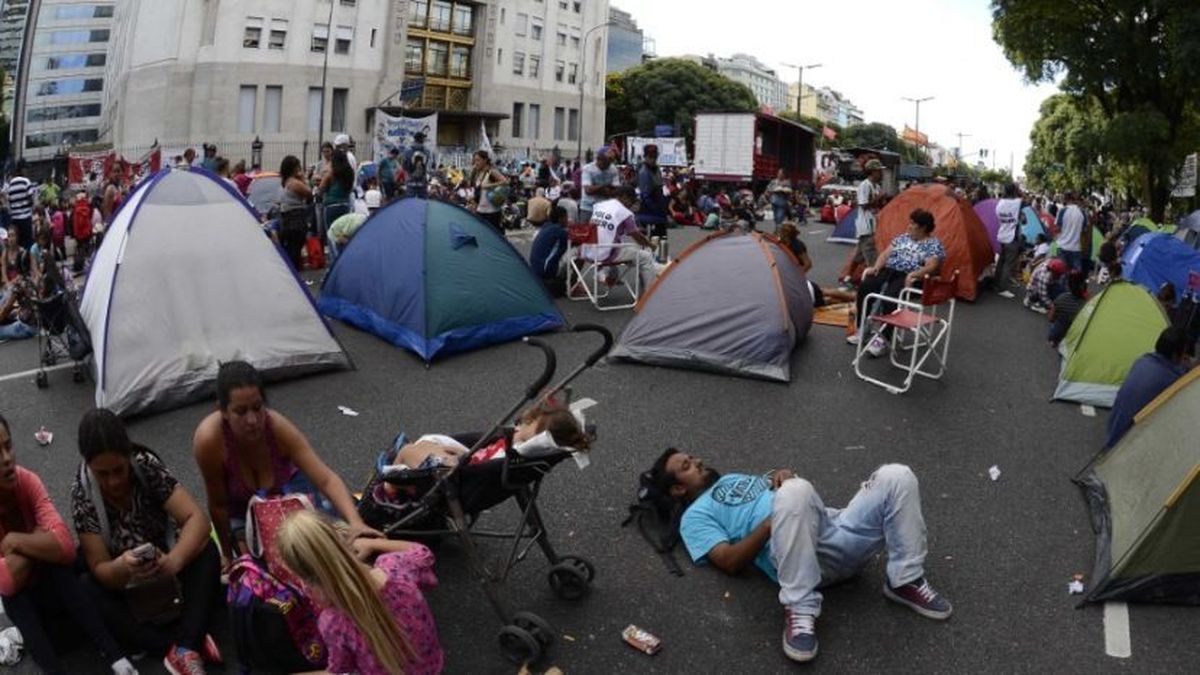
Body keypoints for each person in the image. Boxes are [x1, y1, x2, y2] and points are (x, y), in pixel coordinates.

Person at [650, 449, 951, 664]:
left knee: (897, 475)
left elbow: (775, 490)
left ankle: (905, 579)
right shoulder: (693, 517)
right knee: (795, 492)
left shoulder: (729, 478)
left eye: (693, 457)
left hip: (836, 530)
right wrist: (770, 524)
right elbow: (729, 561)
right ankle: (800, 608)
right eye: (687, 465)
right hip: (804, 562)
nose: (698, 461)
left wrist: (782, 476)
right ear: (677, 489)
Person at [71, 409, 223, 674]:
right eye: (103, 474)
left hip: (165, 565)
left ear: (128, 455)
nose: (114, 481)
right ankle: (188, 642)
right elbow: (99, 567)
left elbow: (197, 520)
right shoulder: (83, 494)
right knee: (84, 587)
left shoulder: (145, 464)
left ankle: (184, 646)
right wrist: (122, 567)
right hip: (126, 584)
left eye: (119, 470)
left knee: (206, 549)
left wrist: (174, 561)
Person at [192, 361, 380, 564]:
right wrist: (228, 555)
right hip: (245, 515)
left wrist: (355, 522)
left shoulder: (277, 428)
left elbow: (325, 479)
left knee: (338, 546)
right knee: (257, 568)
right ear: (222, 410)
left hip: (291, 497)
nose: (252, 420)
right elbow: (218, 506)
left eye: (257, 408)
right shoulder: (209, 441)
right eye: (241, 411)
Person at [0, 414, 139, 675]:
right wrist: (39, 540)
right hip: (34, 612)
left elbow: (64, 546)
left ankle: (116, 656)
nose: (7, 458)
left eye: (8, 446)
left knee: (64, 565)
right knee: (14, 598)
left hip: (57, 591)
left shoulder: (26, 480)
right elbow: (6, 581)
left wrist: (16, 541)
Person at [276, 510, 443, 675]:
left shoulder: (333, 623)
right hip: (433, 667)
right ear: (342, 543)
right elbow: (421, 551)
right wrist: (371, 543)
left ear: (305, 580)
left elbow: (340, 669)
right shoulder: (398, 568)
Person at [849, 209, 946, 358]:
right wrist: (876, 267)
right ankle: (863, 328)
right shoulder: (902, 238)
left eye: (913, 223)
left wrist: (914, 274)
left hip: (909, 276)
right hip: (889, 270)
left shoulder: (932, 244)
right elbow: (885, 255)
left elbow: (932, 266)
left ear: (923, 227)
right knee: (866, 287)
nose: (909, 226)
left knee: (890, 298)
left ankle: (884, 339)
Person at [1105, 328, 1191, 449]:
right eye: (1184, 352)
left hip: (1113, 431)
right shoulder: (1172, 379)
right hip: (1126, 446)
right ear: (1175, 355)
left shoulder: (1143, 360)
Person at [581, 186, 668, 293]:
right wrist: (651, 245)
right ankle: (650, 292)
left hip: (588, 250)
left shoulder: (600, 205)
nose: (631, 205)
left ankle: (607, 275)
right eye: (632, 201)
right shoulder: (625, 213)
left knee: (621, 244)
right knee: (645, 257)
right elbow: (636, 236)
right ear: (624, 197)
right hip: (606, 253)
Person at [775, 222, 855, 308]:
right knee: (823, 293)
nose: (778, 235)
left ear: (786, 234)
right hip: (799, 282)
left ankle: (852, 297)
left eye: (780, 233)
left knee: (824, 296)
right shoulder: (783, 244)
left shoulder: (797, 245)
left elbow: (808, 263)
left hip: (799, 282)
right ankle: (851, 297)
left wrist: (797, 275)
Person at [850, 159, 886, 274]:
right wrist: (878, 198)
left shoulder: (877, 187)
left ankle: (847, 277)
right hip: (866, 225)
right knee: (872, 257)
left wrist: (882, 200)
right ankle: (874, 277)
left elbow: (879, 205)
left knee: (859, 255)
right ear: (873, 171)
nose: (881, 173)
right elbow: (863, 205)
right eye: (879, 171)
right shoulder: (864, 185)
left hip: (874, 223)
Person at [277, 155, 312, 271]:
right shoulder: (294, 183)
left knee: (292, 248)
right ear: (294, 168)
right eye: (298, 166)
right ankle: (295, 272)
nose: (300, 169)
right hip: (296, 218)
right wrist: (303, 178)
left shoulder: (285, 182)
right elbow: (309, 193)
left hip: (287, 218)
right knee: (296, 248)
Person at [530, 205, 570, 296]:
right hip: (546, 270)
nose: (568, 220)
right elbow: (573, 242)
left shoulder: (545, 227)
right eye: (566, 217)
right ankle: (572, 284)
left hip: (535, 269)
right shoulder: (560, 232)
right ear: (560, 219)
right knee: (578, 254)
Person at [994, 184, 1023, 298]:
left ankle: (996, 283)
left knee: (1001, 262)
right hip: (1012, 237)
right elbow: (1025, 200)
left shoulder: (1000, 203)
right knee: (1008, 264)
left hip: (1002, 235)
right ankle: (1002, 289)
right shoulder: (1018, 202)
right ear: (1015, 191)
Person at [468, 150, 508, 232]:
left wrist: (489, 186)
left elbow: (505, 182)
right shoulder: (476, 173)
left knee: (494, 235)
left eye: (478, 160)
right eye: (475, 160)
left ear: (485, 160)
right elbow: (478, 190)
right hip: (480, 211)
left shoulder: (491, 171)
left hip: (492, 212)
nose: (476, 163)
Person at [320, 150, 355, 242]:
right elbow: (350, 188)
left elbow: (321, 188)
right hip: (345, 205)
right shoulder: (350, 173)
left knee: (331, 234)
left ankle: (332, 250)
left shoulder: (331, 173)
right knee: (343, 233)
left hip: (331, 206)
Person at [579, 147, 620, 224]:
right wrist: (605, 186)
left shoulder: (613, 169)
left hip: (605, 208)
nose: (608, 164)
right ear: (599, 159)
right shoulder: (588, 168)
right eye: (606, 161)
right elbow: (588, 190)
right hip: (588, 208)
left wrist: (595, 188)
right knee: (585, 229)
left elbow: (616, 191)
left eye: (611, 161)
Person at [1047, 270, 1088, 347]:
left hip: (1059, 332)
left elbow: (1050, 318)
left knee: (1057, 323)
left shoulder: (1061, 298)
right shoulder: (1086, 304)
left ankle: (1053, 340)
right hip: (1075, 335)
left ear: (1069, 285)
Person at [636, 145, 669, 237]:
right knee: (650, 238)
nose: (653, 159)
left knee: (661, 237)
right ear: (645, 156)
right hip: (647, 207)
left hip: (659, 205)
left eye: (654, 157)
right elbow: (645, 194)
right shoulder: (643, 172)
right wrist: (655, 208)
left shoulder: (657, 169)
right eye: (650, 157)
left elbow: (660, 186)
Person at [4, 161, 35, 249]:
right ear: (22, 170)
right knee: (28, 244)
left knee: (18, 245)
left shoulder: (10, 184)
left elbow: (9, 203)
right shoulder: (26, 181)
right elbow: (31, 200)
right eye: (26, 169)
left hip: (15, 220)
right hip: (25, 218)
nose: (27, 171)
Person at [1056, 193, 1086, 272]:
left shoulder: (1062, 211)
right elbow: (1084, 230)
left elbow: (1058, 228)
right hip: (1076, 248)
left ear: (1066, 199)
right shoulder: (1082, 212)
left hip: (1062, 246)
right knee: (1075, 275)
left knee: (1062, 272)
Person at [403, 133, 431, 199]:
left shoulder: (407, 152)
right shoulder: (427, 152)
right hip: (422, 181)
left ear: (415, 139)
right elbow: (430, 166)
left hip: (411, 180)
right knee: (423, 201)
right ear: (422, 139)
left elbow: (404, 166)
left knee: (410, 200)